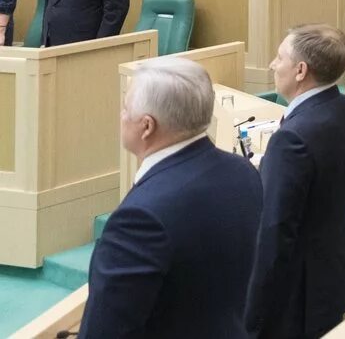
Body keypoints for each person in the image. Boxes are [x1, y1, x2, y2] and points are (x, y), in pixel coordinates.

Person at [87, 57, 263, 339]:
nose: (121, 115)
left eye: (125, 108)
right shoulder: (242, 171)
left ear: (146, 126)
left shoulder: (140, 219)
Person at [245, 24, 345, 339]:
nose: (273, 64)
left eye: (279, 57)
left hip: (299, 297)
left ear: (301, 70)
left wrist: (252, 316)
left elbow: (275, 235)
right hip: (336, 272)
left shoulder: (292, 140)